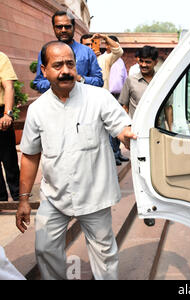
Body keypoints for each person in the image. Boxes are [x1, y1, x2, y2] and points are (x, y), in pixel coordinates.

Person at [15, 41, 137, 280]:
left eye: (70, 63)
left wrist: (127, 135)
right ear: (44, 70)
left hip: (95, 194)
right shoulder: (38, 109)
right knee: (45, 248)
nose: (66, 70)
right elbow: (30, 156)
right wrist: (23, 200)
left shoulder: (98, 98)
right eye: (57, 65)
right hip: (55, 196)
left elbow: (121, 126)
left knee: (104, 255)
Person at [33, 10, 103, 93]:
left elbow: (98, 81)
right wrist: (58, 81)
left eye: (67, 27)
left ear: (73, 27)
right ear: (54, 28)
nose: (63, 30)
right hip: (55, 104)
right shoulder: (46, 51)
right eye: (59, 27)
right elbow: (39, 83)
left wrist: (79, 79)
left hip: (82, 103)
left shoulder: (87, 52)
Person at [119, 45, 172, 130]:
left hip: (158, 130)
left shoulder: (162, 81)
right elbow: (125, 107)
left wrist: (171, 130)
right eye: (141, 61)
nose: (143, 65)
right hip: (137, 131)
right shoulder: (131, 80)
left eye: (147, 62)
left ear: (155, 62)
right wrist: (126, 129)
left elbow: (168, 107)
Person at [0, 51, 20, 203]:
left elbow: (9, 87)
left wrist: (7, 113)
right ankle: (0, 198)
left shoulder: (1, 57)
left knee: (9, 157)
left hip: (1, 114)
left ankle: (18, 195)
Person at [108, 37, 129, 165]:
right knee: (111, 127)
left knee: (119, 125)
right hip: (108, 95)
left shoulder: (120, 61)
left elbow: (125, 78)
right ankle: (113, 155)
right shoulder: (105, 59)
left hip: (119, 97)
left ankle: (117, 152)